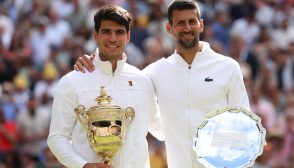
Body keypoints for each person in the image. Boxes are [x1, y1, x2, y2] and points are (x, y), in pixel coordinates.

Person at [74, 0, 250, 168]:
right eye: (180, 23)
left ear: (201, 25)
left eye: (192, 21)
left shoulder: (228, 67)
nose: (187, 28)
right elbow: (117, 78)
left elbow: (245, 127)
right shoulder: (154, 73)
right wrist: (94, 63)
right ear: (169, 28)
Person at [47, 5, 163, 168]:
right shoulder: (72, 81)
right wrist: (84, 165)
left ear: (128, 36)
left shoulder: (143, 80)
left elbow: (161, 130)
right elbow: (57, 138)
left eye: (119, 32)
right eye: (106, 31)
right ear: (95, 35)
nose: (113, 38)